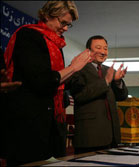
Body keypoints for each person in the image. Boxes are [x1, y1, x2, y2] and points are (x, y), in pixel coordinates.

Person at [1, 1, 91, 165]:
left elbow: (57, 82)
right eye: (63, 23)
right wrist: (73, 67)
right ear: (48, 15)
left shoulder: (55, 44)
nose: (65, 28)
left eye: (68, 25)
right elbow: (41, 81)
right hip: (28, 124)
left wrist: (74, 70)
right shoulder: (29, 35)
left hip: (51, 122)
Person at [69, 35, 128, 154]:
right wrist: (105, 82)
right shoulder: (78, 68)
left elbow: (122, 97)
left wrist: (117, 81)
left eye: (105, 48)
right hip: (90, 135)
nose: (103, 52)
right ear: (88, 51)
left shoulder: (109, 70)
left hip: (112, 135)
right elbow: (79, 96)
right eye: (98, 48)